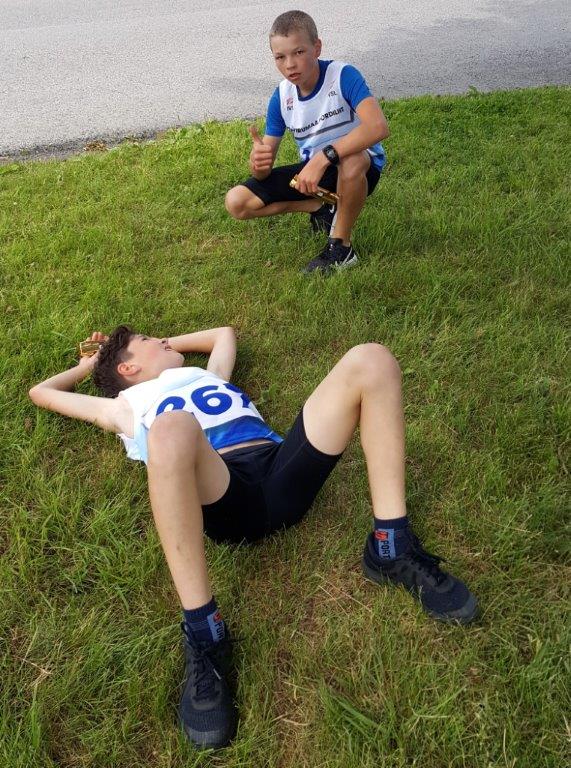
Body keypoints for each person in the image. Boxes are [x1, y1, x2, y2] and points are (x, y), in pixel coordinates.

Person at [29, 325, 478, 750]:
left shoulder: (208, 376)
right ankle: (204, 632)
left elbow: (223, 334)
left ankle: (390, 546)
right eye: (148, 339)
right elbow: (42, 393)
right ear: (127, 368)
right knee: (169, 427)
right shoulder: (125, 405)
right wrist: (90, 366)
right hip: (225, 493)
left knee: (371, 359)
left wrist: (162, 343)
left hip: (281, 469)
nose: (163, 339)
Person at [225, 10, 389, 274]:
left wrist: (324, 157)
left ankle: (341, 247)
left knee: (353, 159)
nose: (290, 64)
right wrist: (258, 164)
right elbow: (263, 171)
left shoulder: (342, 75)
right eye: (280, 57)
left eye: (299, 52)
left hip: (361, 167)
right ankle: (320, 207)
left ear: (317, 48)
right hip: (315, 175)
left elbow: (378, 127)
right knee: (237, 201)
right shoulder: (281, 97)